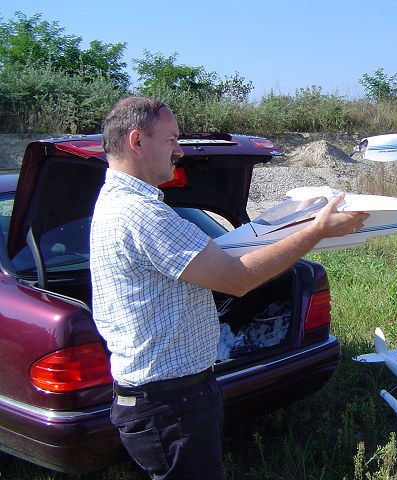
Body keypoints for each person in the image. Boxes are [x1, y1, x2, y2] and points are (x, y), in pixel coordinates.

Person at [89, 96, 368, 480]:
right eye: (171, 139)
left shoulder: (120, 203)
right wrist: (316, 230)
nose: (179, 150)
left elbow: (215, 260)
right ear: (137, 141)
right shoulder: (142, 214)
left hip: (172, 395)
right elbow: (236, 279)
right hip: (170, 402)